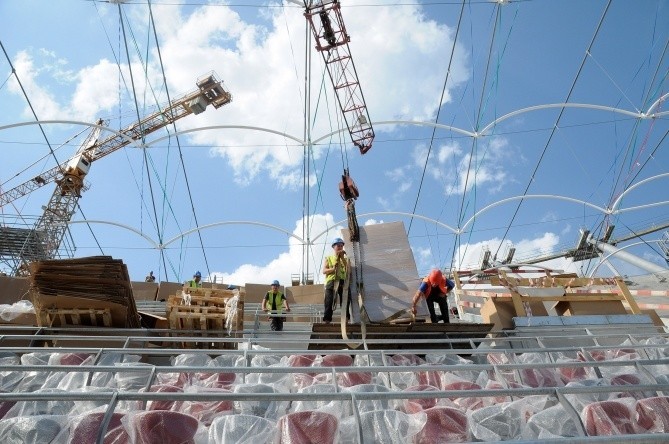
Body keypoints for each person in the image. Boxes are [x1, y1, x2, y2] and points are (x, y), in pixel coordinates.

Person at [322, 237, 352, 324]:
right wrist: (333, 269)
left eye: (341, 245)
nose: (340, 247)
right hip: (332, 282)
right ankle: (327, 321)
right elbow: (324, 271)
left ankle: (345, 321)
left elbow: (349, 271)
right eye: (338, 245)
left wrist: (342, 258)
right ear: (333, 247)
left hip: (343, 282)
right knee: (329, 301)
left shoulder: (346, 259)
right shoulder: (329, 258)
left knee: (345, 301)